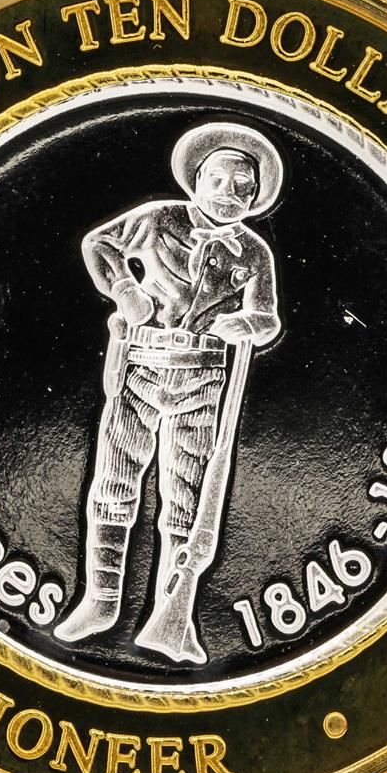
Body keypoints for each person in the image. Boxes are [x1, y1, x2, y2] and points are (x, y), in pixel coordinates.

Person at [53, 121, 284, 663]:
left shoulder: (254, 253)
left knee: (187, 495)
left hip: (203, 379)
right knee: (114, 478)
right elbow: (98, 244)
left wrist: (245, 325)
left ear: (255, 195)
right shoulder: (158, 218)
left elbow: (267, 318)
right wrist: (124, 290)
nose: (229, 193)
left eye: (243, 187)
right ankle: (100, 601)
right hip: (140, 365)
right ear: (196, 180)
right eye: (218, 181)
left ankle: (172, 618)